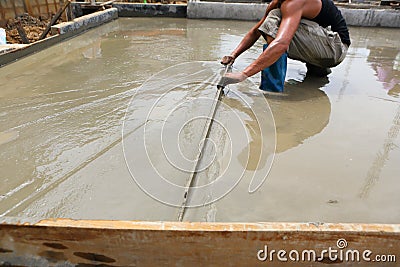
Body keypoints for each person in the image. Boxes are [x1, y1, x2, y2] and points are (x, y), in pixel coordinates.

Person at [220, 0, 351, 92]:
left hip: (335, 49)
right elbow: (256, 31)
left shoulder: (294, 2)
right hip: (324, 48)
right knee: (273, 18)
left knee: (274, 20)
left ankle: (272, 88)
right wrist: (234, 55)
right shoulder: (278, 3)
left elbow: (282, 43)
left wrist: (244, 74)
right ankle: (318, 70)